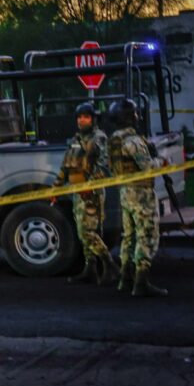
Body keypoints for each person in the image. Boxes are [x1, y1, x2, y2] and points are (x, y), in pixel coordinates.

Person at [52, 102, 118, 285]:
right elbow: (66, 166)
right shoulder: (75, 140)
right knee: (83, 233)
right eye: (79, 117)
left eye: (86, 117)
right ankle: (90, 269)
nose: (82, 120)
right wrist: (55, 188)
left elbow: (104, 166)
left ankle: (110, 266)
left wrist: (90, 185)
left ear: (93, 119)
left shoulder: (98, 138)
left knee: (89, 232)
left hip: (91, 192)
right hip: (77, 192)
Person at [109, 99, 168, 297]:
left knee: (129, 236)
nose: (137, 116)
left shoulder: (114, 140)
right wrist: (160, 160)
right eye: (134, 113)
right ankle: (141, 283)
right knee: (147, 235)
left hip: (125, 192)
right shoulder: (133, 141)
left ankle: (125, 280)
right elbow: (148, 168)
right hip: (141, 193)